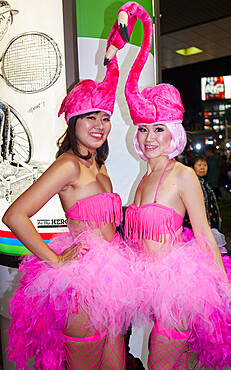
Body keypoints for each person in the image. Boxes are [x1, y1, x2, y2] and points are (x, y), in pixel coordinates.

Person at [106, 2, 231, 369]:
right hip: (149, 287)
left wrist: (224, 283)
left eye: (159, 129)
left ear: (173, 134)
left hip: (179, 289)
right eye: (144, 129)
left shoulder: (182, 174)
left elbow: (202, 232)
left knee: (162, 360)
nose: (150, 137)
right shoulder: (144, 177)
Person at [2, 23, 136, 370]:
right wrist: (57, 260)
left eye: (104, 117)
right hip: (82, 283)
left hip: (113, 279)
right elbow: (15, 216)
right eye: (90, 116)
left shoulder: (99, 166)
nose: (100, 124)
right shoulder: (69, 165)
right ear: (73, 120)